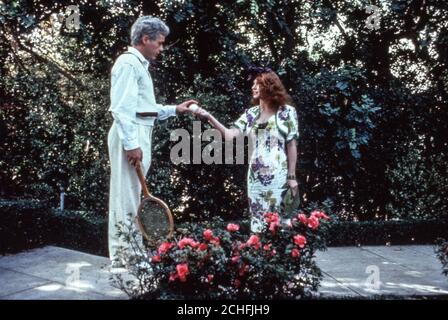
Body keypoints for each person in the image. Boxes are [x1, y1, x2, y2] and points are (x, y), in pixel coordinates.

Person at [108, 16, 197, 267]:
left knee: (134, 197)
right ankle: (125, 257)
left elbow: (144, 109)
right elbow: (121, 109)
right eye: (158, 43)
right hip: (130, 134)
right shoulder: (128, 63)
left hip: (138, 132)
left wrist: (176, 109)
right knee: (126, 197)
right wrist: (130, 144)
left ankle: (130, 255)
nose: (161, 48)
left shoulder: (139, 65)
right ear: (145, 39)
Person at [195, 69, 299, 232]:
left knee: (280, 223)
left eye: (258, 84)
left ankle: (280, 256)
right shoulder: (251, 114)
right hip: (255, 177)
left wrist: (292, 177)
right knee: (258, 222)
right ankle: (261, 255)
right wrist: (209, 117)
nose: (254, 87)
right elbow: (230, 135)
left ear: (269, 86)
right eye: (253, 85)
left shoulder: (286, 112)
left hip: (279, 175)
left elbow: (291, 145)